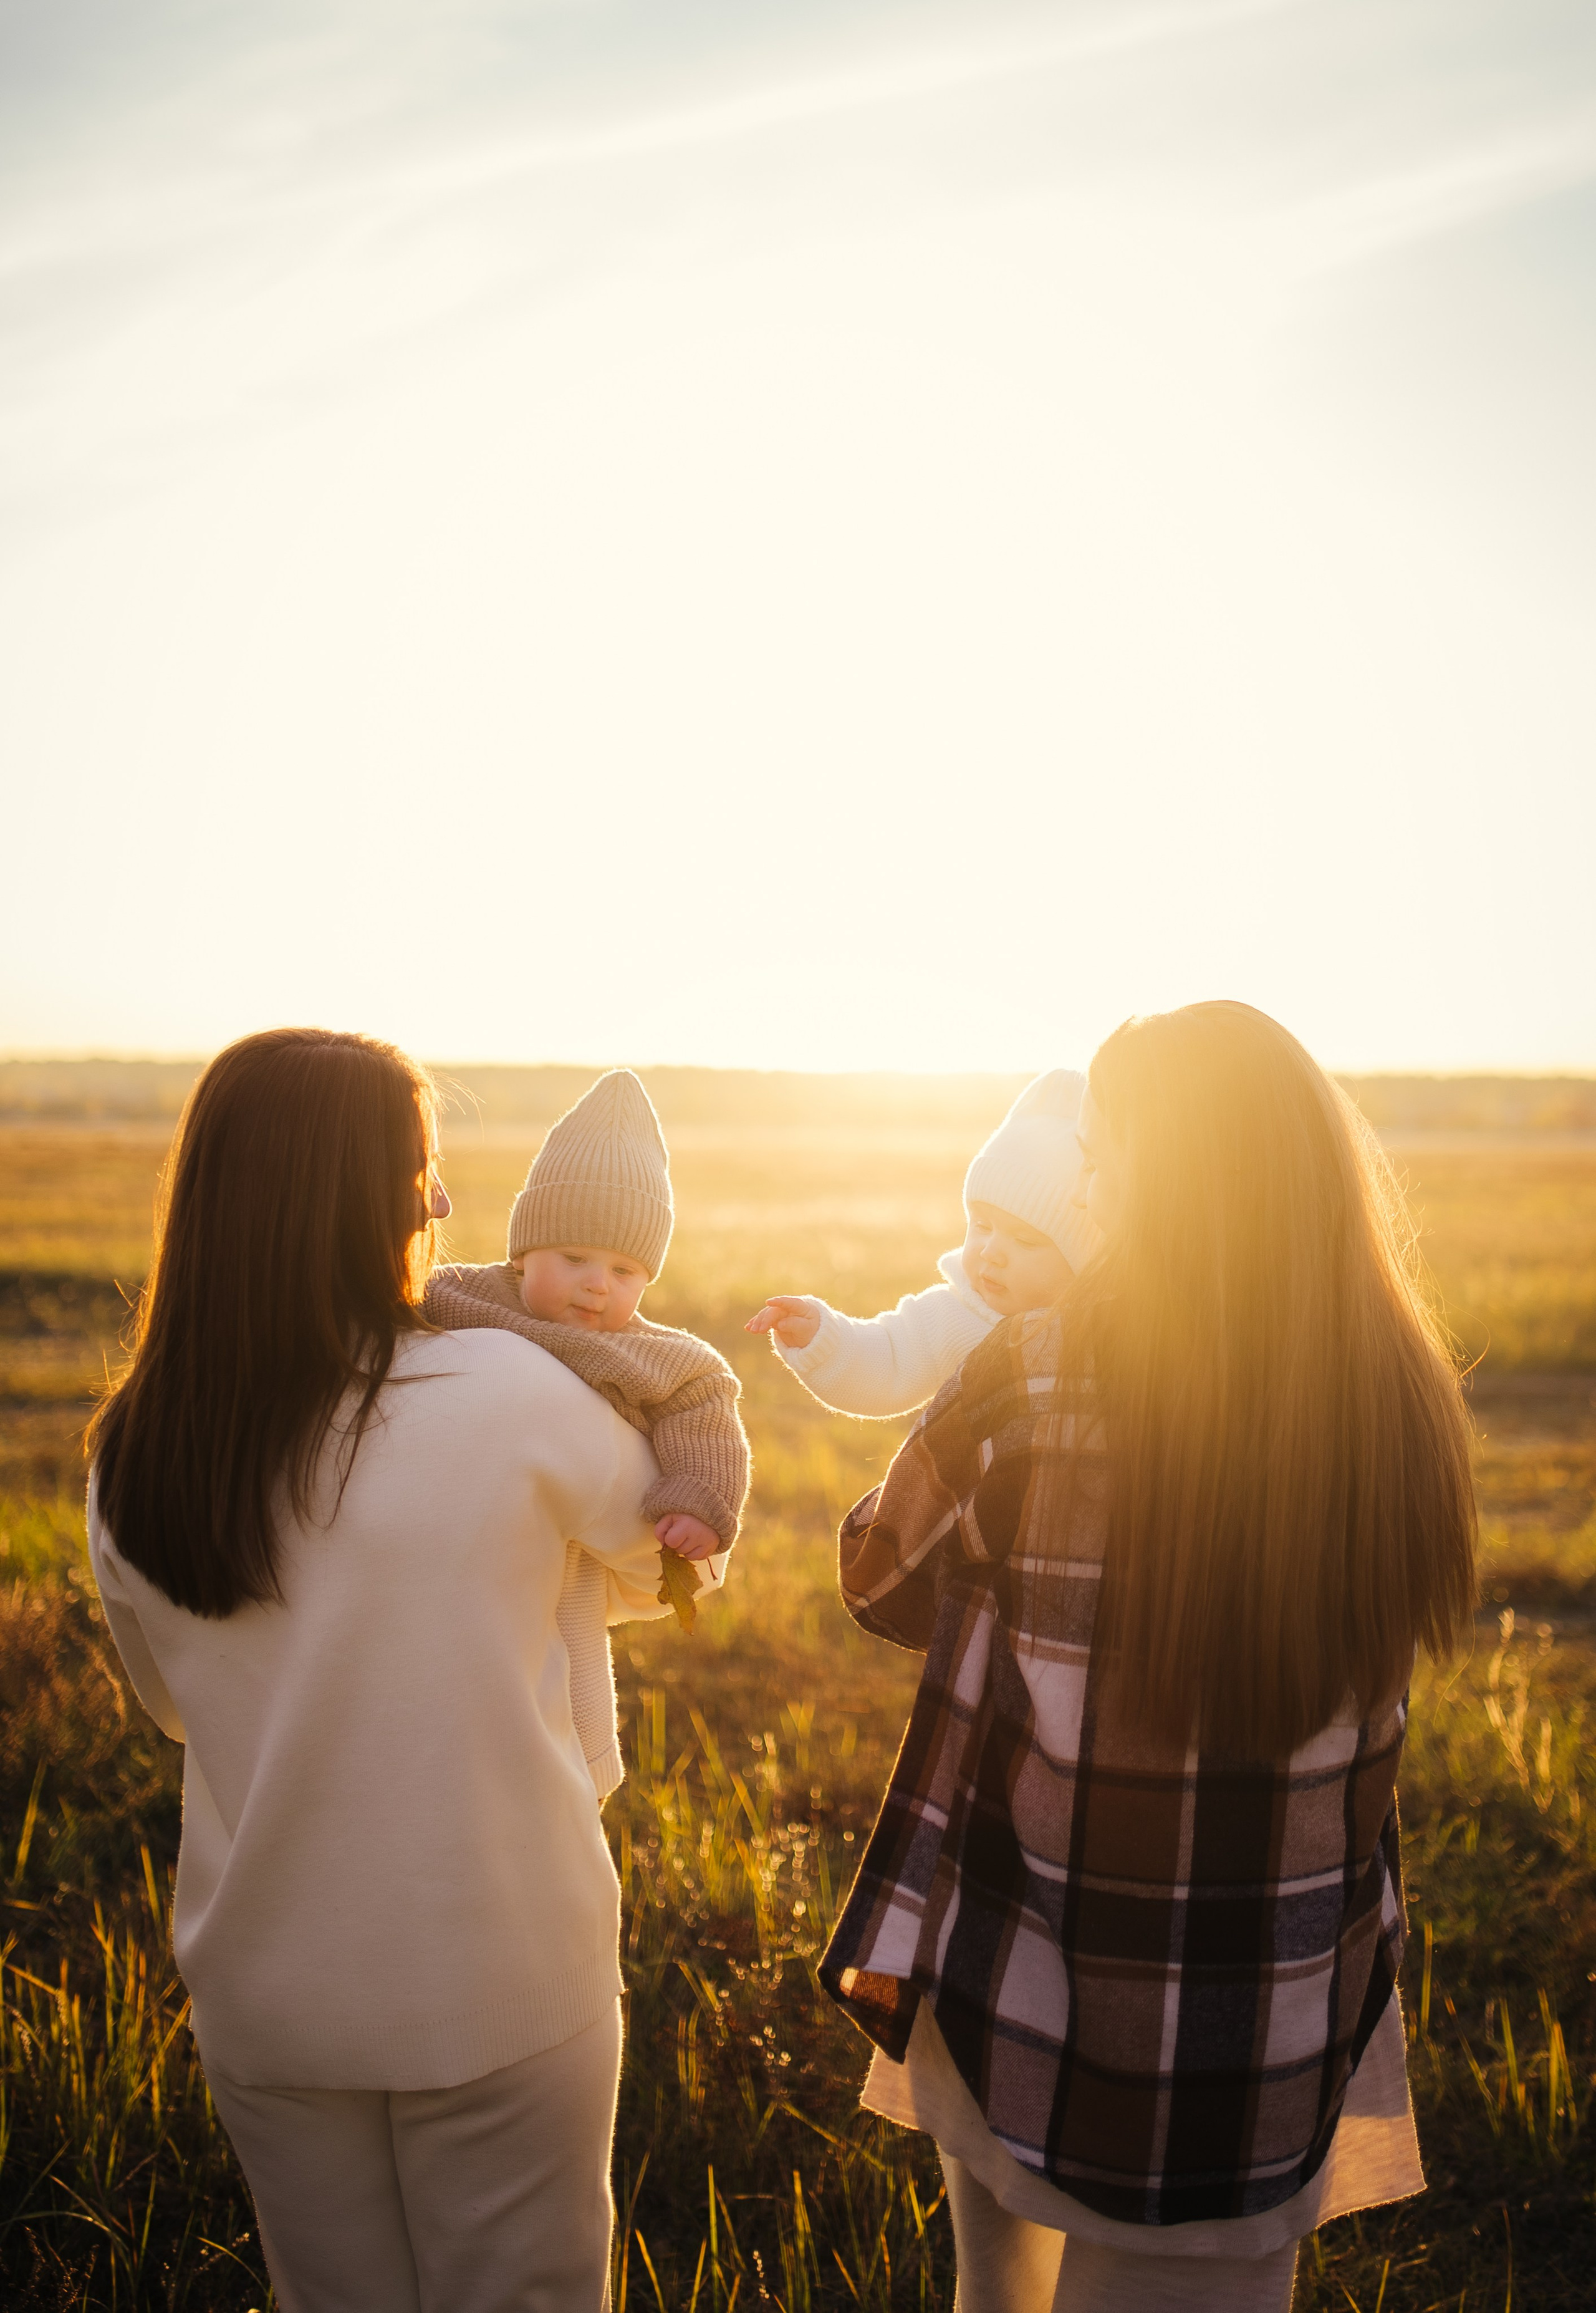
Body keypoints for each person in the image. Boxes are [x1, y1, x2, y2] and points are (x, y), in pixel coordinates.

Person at [818, 1003, 1476, 2313]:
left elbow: (879, 1579)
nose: (1089, 1181)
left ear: (1148, 1179)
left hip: (1028, 1962)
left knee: (996, 2283)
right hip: (1268, 1997)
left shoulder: (1030, 1374)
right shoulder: (1396, 1393)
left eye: (1103, 1154)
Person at [86, 1029, 724, 2313]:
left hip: (266, 1987)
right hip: (500, 1966)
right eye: (421, 1170)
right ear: (358, 1198)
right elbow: (663, 1567)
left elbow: (172, 1708)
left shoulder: (135, 1447)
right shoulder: (508, 1391)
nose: (442, 1204)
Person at [425, 1068, 749, 1797]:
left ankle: (576, 1778)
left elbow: (706, 1407)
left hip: (571, 1566)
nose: (599, 1284)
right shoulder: (460, 1297)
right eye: (574, 1258)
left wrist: (697, 1498)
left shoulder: (657, 1355)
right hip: (461, 1541)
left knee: (563, 1707)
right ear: (522, 1251)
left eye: (625, 1270)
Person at [748, 1070, 1097, 1416]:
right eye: (982, 1225)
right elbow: (887, 1358)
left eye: (1024, 1240)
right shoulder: (956, 1316)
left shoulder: (1111, 1329)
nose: (991, 1252)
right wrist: (824, 1340)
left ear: (1081, 1257)